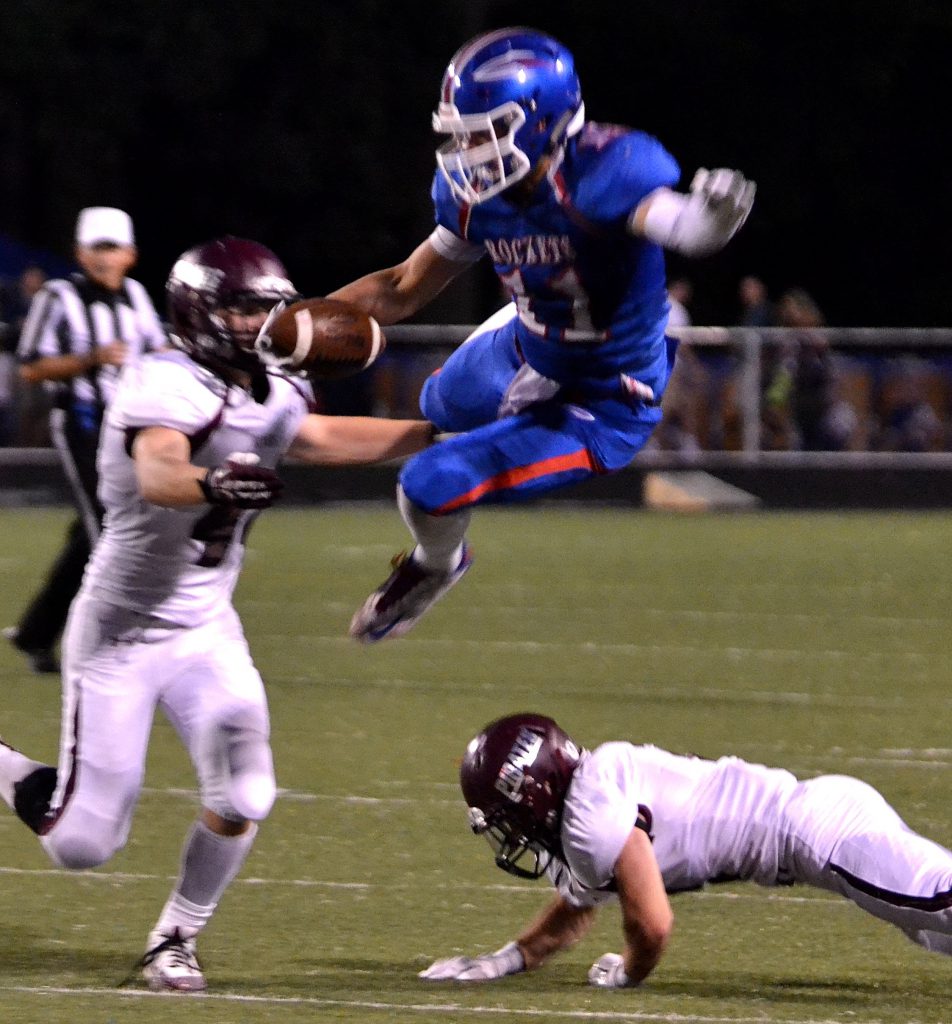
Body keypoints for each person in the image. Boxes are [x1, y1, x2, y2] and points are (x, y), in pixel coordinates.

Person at [0, 236, 435, 993]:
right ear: (198, 311)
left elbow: (323, 436)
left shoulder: (276, 381)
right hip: (122, 632)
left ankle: (175, 937)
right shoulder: (163, 379)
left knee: (246, 792)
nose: (260, 322)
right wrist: (213, 484)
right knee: (81, 844)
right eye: (241, 307)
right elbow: (161, 470)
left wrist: (442, 434)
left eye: (269, 305)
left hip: (205, 624)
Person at [330, 27, 755, 643]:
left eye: (481, 132)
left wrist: (709, 221)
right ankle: (473, 474)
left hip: (604, 396)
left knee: (428, 485)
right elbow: (400, 289)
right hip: (530, 342)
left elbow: (680, 226)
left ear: (540, 122)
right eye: (461, 133)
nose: (466, 150)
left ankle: (434, 566)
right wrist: (293, 319)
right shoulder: (480, 195)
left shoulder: (605, 172)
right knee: (439, 405)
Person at [420, 712, 952, 989]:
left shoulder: (589, 814)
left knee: (936, 902)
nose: (508, 831)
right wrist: (508, 959)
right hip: (813, 827)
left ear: (530, 788)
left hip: (815, 830)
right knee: (933, 930)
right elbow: (576, 911)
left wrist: (631, 972)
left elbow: (652, 924)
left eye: (504, 814)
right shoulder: (588, 804)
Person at [4, 209, 167, 673]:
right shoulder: (59, 297)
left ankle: (37, 632)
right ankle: (112, 641)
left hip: (129, 428)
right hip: (80, 424)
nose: (104, 257)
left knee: (95, 533)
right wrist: (90, 359)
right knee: (111, 530)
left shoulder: (135, 296)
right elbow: (31, 365)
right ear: (79, 253)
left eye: (112, 247)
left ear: (130, 255)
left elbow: (159, 351)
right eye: (96, 247)